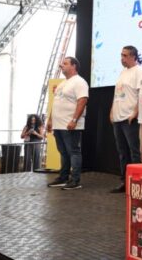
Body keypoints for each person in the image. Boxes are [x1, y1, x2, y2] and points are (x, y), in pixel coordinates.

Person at [46, 57, 88, 191]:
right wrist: (50, 120)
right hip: (58, 124)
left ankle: (75, 180)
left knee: (73, 152)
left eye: (65, 63)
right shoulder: (63, 83)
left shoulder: (79, 82)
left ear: (73, 66)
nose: (61, 65)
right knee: (63, 152)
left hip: (70, 124)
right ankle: (63, 177)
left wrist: (74, 120)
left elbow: (82, 101)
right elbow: (56, 102)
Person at [109, 46, 142, 193]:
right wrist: (112, 111)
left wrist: (135, 112)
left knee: (134, 151)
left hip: (129, 118)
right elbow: (117, 94)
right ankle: (125, 182)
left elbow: (141, 93)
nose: (122, 58)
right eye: (121, 55)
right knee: (122, 152)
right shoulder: (122, 72)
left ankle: (137, 182)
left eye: (125, 55)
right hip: (118, 117)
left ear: (133, 56)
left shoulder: (139, 71)